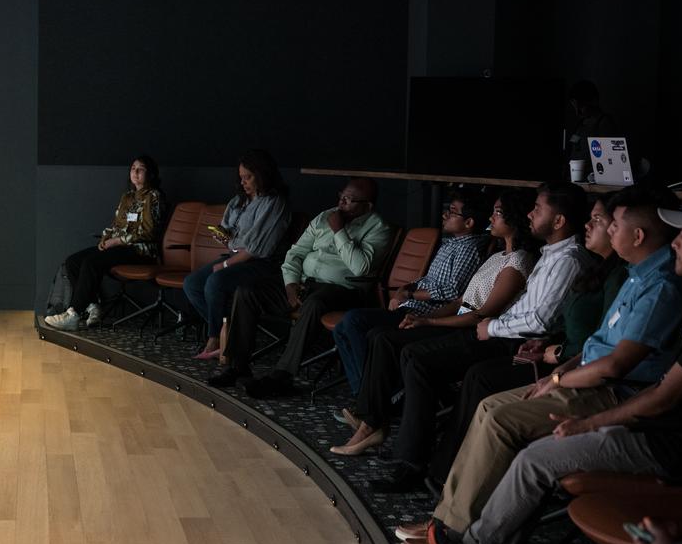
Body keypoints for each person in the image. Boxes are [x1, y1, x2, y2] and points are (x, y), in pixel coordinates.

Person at [426, 200, 682, 544]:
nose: (676, 242)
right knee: (529, 447)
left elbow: (664, 397)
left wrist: (590, 423)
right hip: (654, 428)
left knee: (535, 459)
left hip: (667, 444)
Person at [347, 183, 592, 488]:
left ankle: (419, 461)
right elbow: (494, 306)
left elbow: (537, 319)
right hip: (498, 330)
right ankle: (408, 451)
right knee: (403, 350)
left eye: (538, 209)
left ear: (558, 220)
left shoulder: (562, 260)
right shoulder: (545, 255)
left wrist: (488, 326)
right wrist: (444, 320)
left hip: (510, 340)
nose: (532, 214)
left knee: (421, 358)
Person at [425, 195, 628, 484]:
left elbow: (578, 335)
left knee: (481, 380)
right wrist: (548, 343)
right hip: (544, 349)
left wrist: (556, 358)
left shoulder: (574, 262)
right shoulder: (578, 262)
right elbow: (567, 324)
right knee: (463, 373)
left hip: (567, 365)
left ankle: (449, 472)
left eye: (598, 220)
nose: (531, 214)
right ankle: (445, 469)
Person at [330, 190, 537, 457]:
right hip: (455, 318)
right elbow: (461, 300)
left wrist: (429, 320)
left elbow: (480, 314)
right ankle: (372, 420)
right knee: (380, 335)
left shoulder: (519, 261)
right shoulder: (496, 256)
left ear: (515, 219)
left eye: (497, 213)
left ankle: (372, 423)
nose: (491, 218)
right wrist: (424, 319)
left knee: (388, 340)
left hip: (474, 330)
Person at [205, 178, 392, 391]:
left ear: (368, 206)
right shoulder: (324, 217)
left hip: (343, 289)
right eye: (341, 196)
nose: (341, 203)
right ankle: (237, 367)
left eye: (349, 200)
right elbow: (296, 253)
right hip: (304, 282)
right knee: (247, 292)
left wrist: (339, 232)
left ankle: (281, 377)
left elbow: (360, 268)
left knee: (314, 302)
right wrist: (291, 284)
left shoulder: (379, 228)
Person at [331, 188, 490, 396]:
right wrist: (405, 289)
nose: (445, 215)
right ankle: (366, 393)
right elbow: (429, 279)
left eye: (452, 212)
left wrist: (410, 295)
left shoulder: (469, 248)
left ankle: (370, 396)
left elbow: (453, 291)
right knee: (341, 330)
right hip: (412, 305)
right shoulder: (452, 243)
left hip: (427, 312)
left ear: (468, 222)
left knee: (354, 320)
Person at [183, 149, 291, 360]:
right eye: (241, 177)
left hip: (262, 263)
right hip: (236, 257)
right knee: (192, 283)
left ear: (262, 174)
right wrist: (223, 237)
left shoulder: (275, 202)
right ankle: (230, 332)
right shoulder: (239, 200)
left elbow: (255, 249)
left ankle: (215, 338)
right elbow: (230, 232)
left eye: (248, 177)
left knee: (215, 281)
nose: (243, 182)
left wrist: (225, 265)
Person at [45, 156, 166, 331]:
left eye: (141, 169)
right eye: (133, 168)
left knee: (92, 262)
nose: (136, 172)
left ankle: (74, 314)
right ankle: (92, 306)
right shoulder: (128, 197)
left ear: (151, 174)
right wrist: (105, 238)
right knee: (73, 261)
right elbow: (116, 225)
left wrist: (116, 241)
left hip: (141, 251)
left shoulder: (154, 196)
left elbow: (149, 232)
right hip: (119, 247)